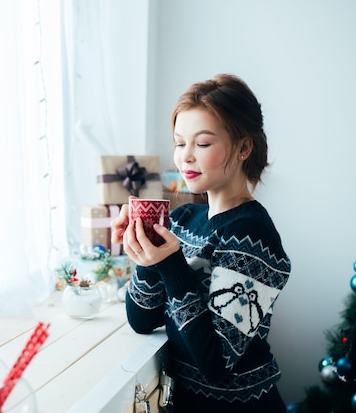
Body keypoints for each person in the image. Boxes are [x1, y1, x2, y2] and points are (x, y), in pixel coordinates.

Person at [111, 74, 291, 412]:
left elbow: (217, 364)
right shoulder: (182, 221)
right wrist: (146, 255)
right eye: (180, 143)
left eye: (203, 143)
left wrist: (171, 264)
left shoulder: (253, 234)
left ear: (243, 148)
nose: (186, 157)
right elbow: (142, 320)